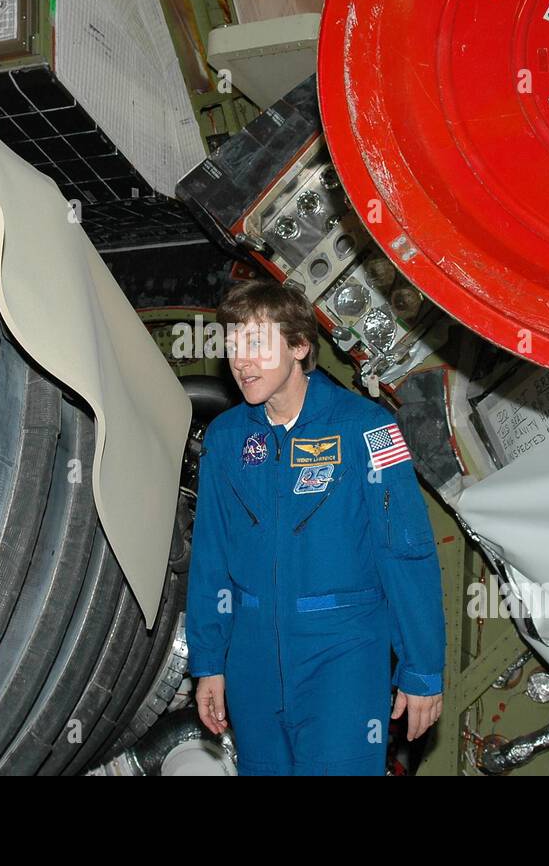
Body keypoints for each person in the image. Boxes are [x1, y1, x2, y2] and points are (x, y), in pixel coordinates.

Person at [186, 278, 446, 775]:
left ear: (300, 346)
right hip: (253, 658)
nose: (241, 361)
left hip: (342, 655)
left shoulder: (368, 428)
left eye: (257, 344)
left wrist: (422, 670)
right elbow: (210, 558)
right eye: (233, 345)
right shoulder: (225, 439)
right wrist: (210, 662)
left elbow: (406, 553)